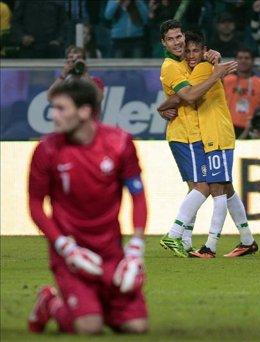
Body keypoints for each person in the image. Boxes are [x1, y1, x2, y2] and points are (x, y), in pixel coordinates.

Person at [27, 79, 148, 335]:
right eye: (53, 108)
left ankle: (93, 304)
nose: (54, 115)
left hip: (109, 250)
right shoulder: (46, 150)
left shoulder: (120, 143)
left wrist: (135, 249)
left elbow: (138, 195)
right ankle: (51, 301)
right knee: (88, 327)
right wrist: (64, 246)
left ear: (84, 111)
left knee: (137, 327)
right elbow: (36, 204)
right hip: (69, 251)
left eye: (61, 108)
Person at [156, 19, 237, 257]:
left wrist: (211, 56)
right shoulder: (170, 66)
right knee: (202, 186)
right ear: (164, 43)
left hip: (194, 133)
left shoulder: (184, 62)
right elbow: (190, 96)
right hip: (184, 133)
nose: (177, 42)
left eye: (179, 37)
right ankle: (173, 235)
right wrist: (216, 74)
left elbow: (182, 93)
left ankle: (185, 240)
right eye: (170, 39)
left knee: (195, 187)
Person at [183, 32, 259, 258]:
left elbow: (188, 95)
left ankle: (210, 246)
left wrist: (166, 105)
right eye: (187, 51)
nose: (191, 55)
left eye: (196, 50)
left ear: (204, 50)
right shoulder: (200, 66)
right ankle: (247, 240)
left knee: (216, 189)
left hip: (217, 134)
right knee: (226, 189)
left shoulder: (204, 67)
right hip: (212, 134)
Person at [224, 47, 260, 137]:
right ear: (235, 61)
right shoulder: (226, 80)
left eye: (247, 58)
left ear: (253, 61)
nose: (243, 61)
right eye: (240, 58)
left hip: (252, 130)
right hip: (227, 128)